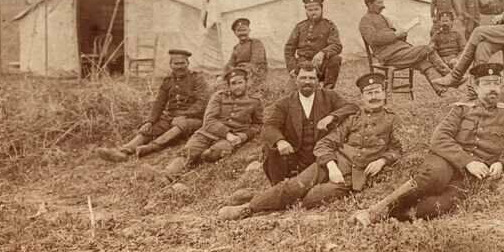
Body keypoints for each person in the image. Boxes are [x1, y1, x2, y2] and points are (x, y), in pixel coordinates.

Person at [217, 72, 403, 220]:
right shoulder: (352, 119)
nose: (374, 97)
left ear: (384, 93)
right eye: (369, 93)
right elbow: (325, 143)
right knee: (297, 186)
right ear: (362, 97)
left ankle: (259, 198)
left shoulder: (393, 119)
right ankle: (247, 208)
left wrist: (382, 160)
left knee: (311, 198)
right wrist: (331, 166)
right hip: (332, 163)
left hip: (354, 176)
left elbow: (397, 148)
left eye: (377, 91)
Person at [352, 63, 504, 224]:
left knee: (441, 205)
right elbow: (439, 138)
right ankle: (375, 211)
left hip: (472, 175)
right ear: (476, 88)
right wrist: (468, 162)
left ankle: (397, 215)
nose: (492, 88)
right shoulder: (461, 109)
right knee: (434, 176)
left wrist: (502, 164)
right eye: (486, 84)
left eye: (496, 83)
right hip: (446, 160)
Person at [95, 49, 210, 162]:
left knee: (181, 124)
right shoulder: (168, 81)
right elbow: (159, 103)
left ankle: (151, 148)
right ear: (170, 65)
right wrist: (149, 121)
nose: (179, 66)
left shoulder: (197, 79)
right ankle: (124, 151)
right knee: (149, 128)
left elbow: (202, 103)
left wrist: (184, 115)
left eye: (182, 63)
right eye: (176, 63)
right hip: (171, 117)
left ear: (188, 63)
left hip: (193, 119)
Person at [261, 62, 358, 184]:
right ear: (296, 80)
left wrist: (331, 117)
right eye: (303, 78)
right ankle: (278, 185)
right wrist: (280, 141)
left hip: (321, 153)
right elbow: (270, 126)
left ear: (317, 80)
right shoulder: (284, 103)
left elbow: (352, 107)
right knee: (270, 147)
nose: (307, 82)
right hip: (296, 155)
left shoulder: (329, 96)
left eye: (312, 78)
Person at [162, 67, 263, 178]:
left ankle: (195, 168)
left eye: (240, 82)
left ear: (246, 83)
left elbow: (257, 124)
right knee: (189, 151)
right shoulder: (218, 97)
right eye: (233, 83)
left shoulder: (254, 101)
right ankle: (167, 175)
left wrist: (243, 137)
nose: (237, 86)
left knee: (213, 154)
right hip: (207, 133)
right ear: (228, 86)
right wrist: (227, 134)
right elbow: (209, 120)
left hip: (233, 137)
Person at [358, 0, 452, 93]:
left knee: (423, 62)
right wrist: (396, 35)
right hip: (389, 56)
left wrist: (403, 34)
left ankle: (440, 89)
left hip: (400, 51)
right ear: (370, 4)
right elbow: (373, 39)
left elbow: (394, 38)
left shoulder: (383, 18)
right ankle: (451, 76)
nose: (383, 6)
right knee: (427, 48)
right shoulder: (365, 21)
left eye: (383, 2)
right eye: (380, 3)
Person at [283, 0, 343, 88]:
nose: (313, 12)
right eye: (310, 10)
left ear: (321, 9)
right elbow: (289, 48)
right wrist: (292, 68)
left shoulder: (329, 25)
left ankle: (328, 90)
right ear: (306, 11)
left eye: (316, 9)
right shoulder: (300, 27)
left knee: (335, 59)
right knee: (290, 94)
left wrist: (322, 53)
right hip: (301, 65)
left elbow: (336, 45)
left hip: (320, 65)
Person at [223, 18, 267, 88]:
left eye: (244, 30)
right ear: (235, 33)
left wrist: (240, 72)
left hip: (254, 74)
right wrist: (223, 75)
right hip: (239, 74)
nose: (242, 33)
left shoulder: (256, 43)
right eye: (239, 31)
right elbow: (230, 63)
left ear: (249, 30)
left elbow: (256, 62)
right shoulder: (236, 47)